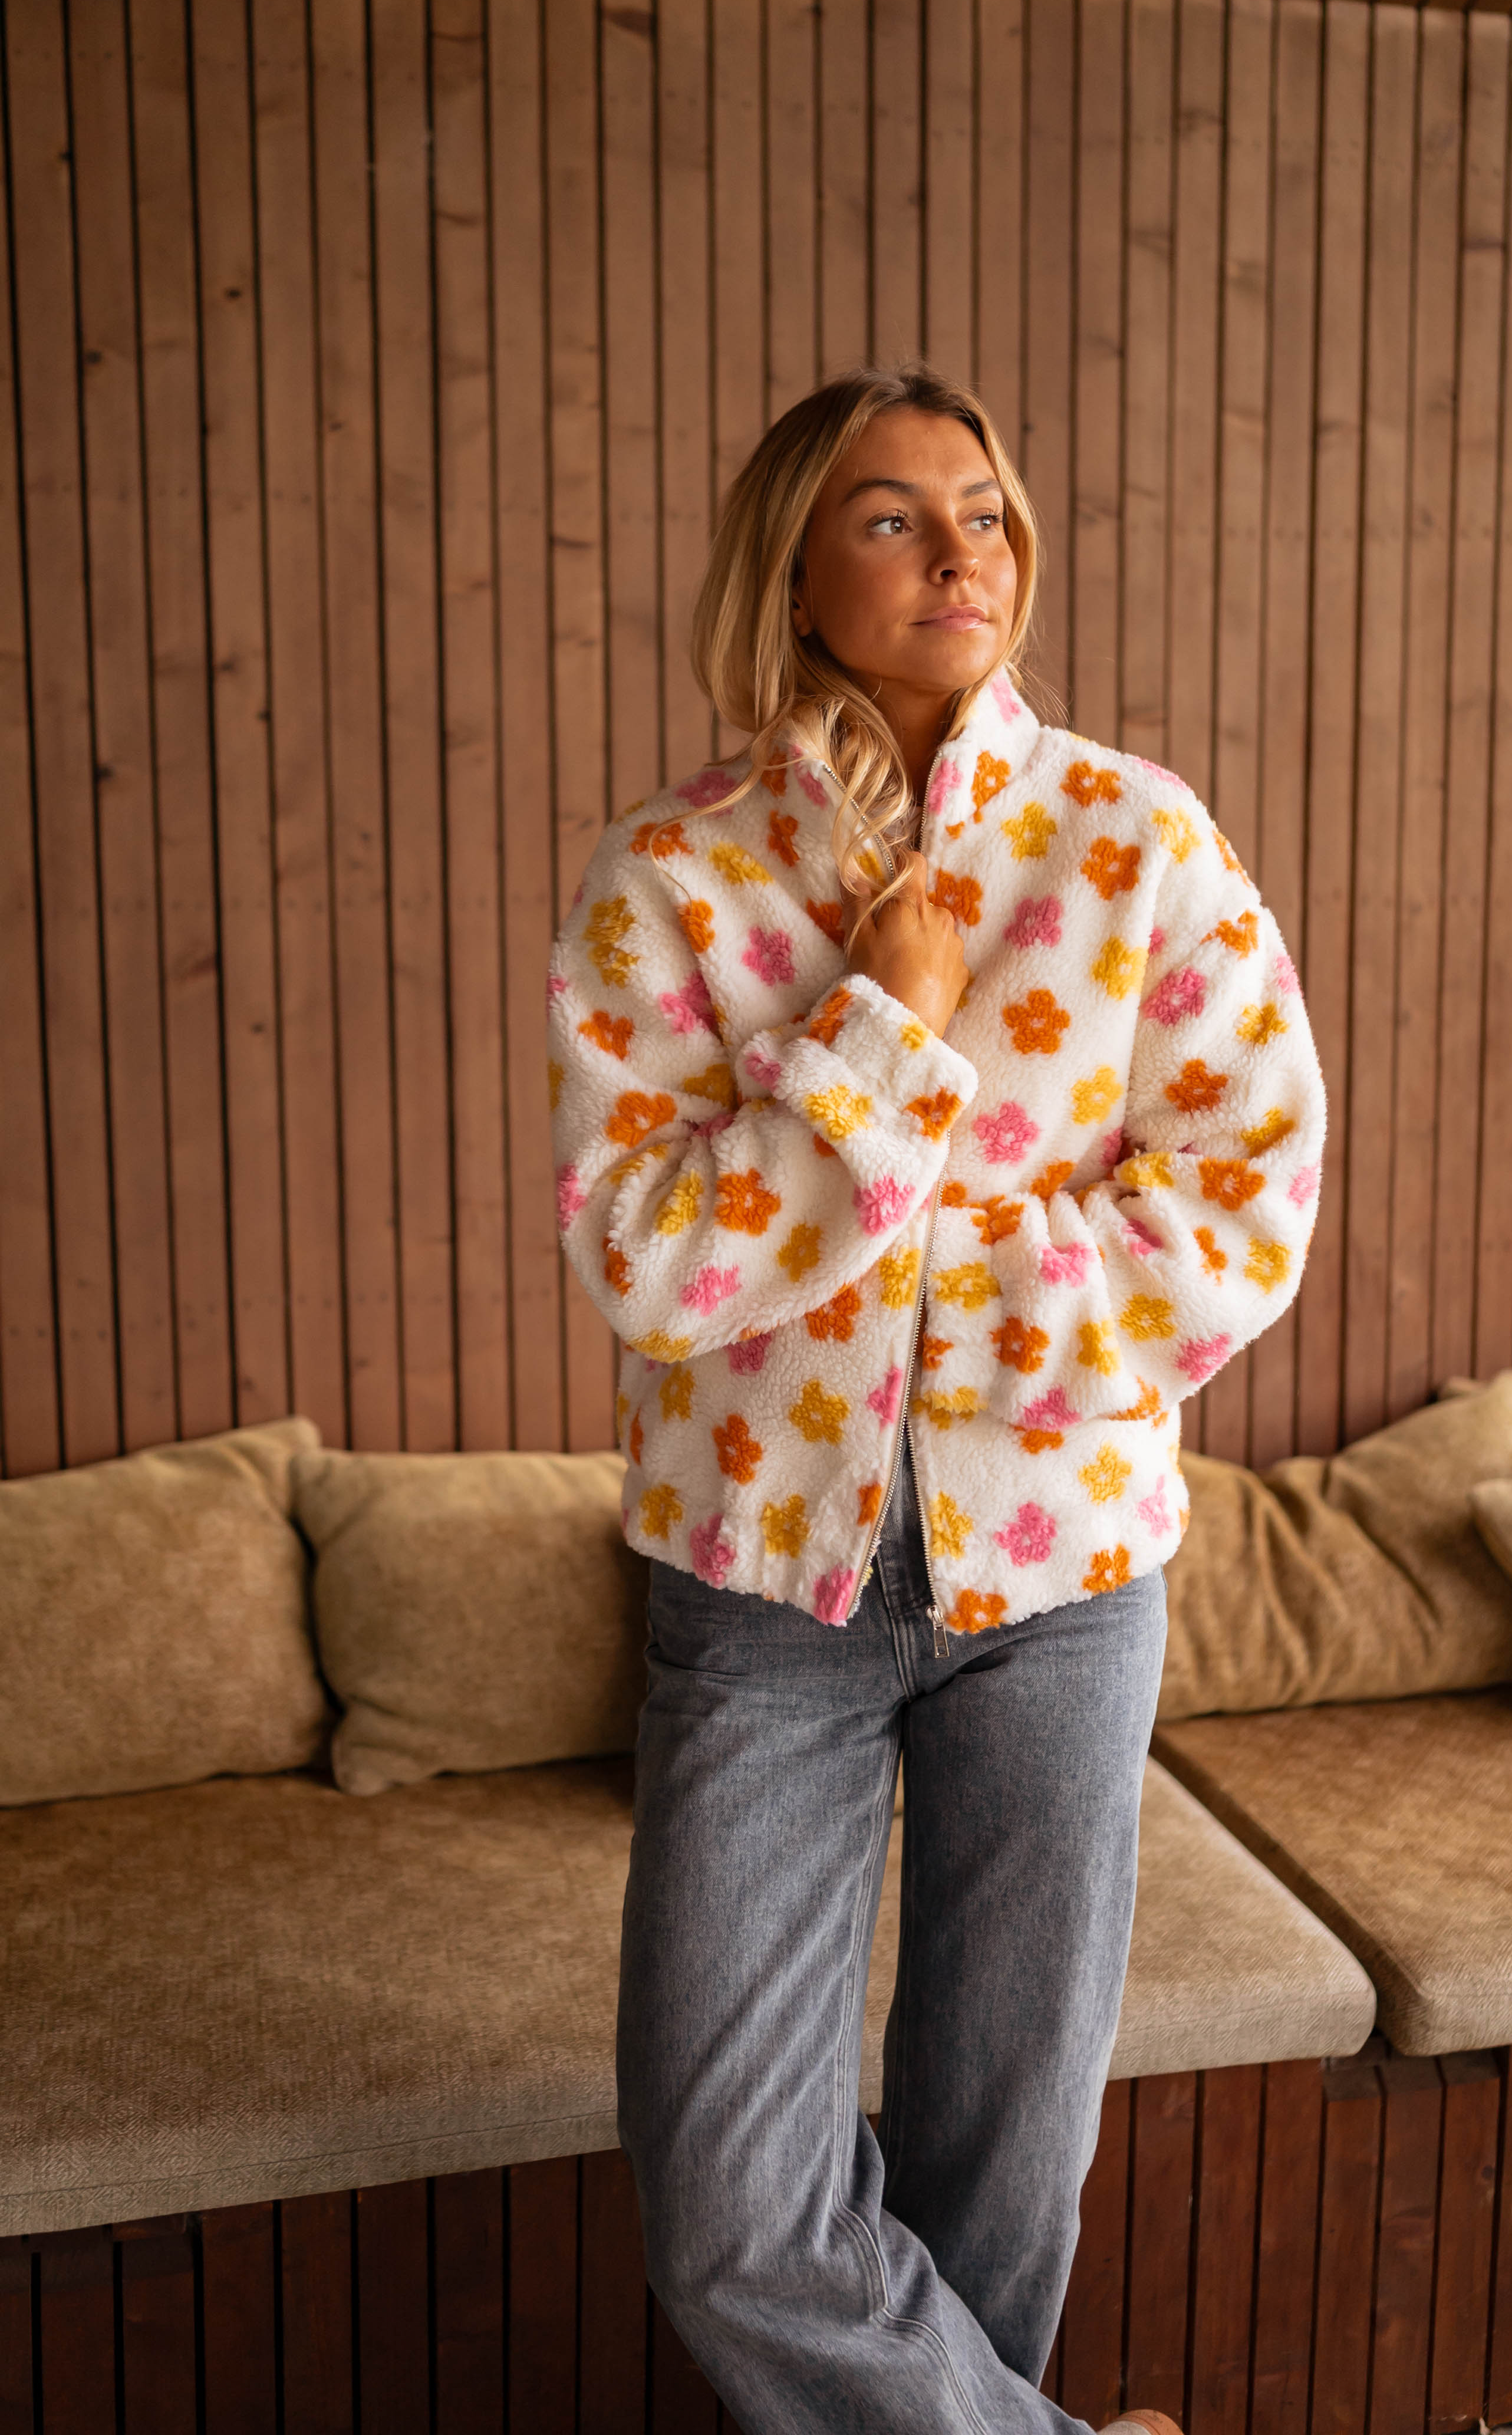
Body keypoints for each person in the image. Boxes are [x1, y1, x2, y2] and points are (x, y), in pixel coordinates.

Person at [548, 364, 1324, 2433]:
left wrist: (946, 1318)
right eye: (894, 516)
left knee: (1005, 2175)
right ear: (795, 572)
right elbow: (645, 1259)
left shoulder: (1134, 841)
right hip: (756, 1597)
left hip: (1063, 1581)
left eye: (984, 511)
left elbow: (1246, 1204)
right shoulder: (673, 883)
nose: (961, 550)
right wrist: (882, 1030)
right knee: (730, 2208)